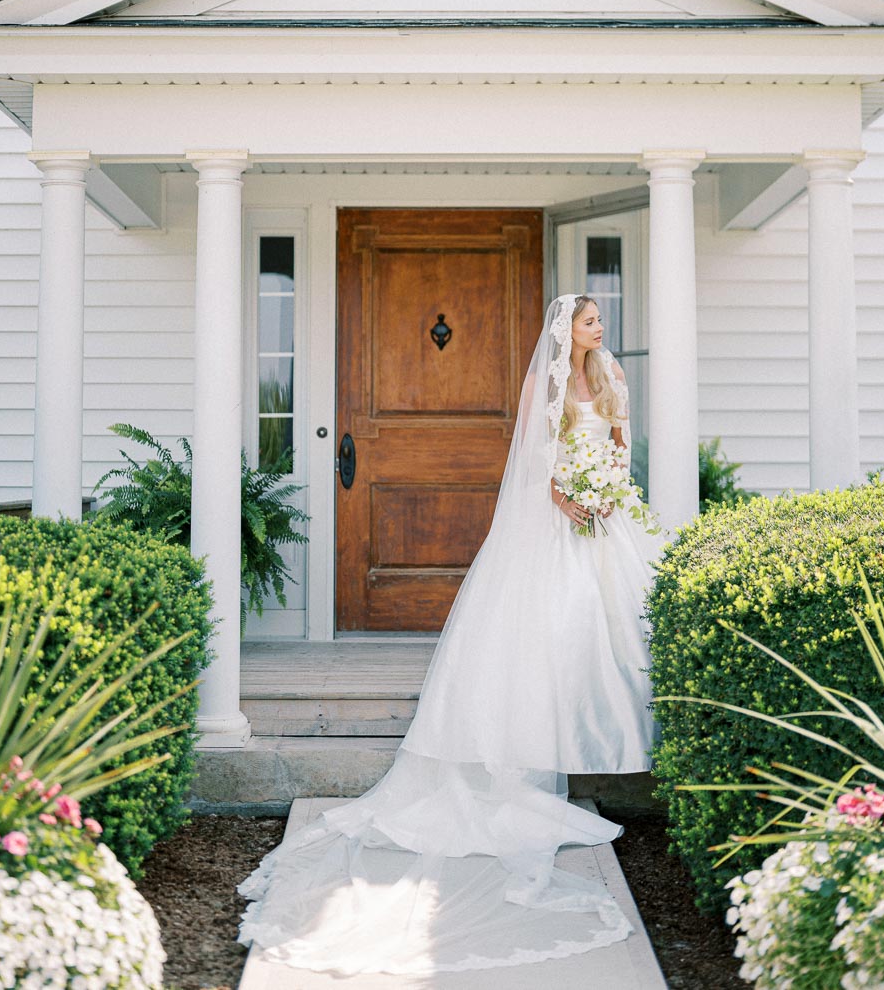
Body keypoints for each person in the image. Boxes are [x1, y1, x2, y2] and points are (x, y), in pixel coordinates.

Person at [237, 293, 666, 976]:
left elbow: (617, 441)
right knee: (543, 633)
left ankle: (605, 729)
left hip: (605, 517)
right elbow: (533, 458)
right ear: (566, 329)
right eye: (589, 321)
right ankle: (528, 753)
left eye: (599, 321)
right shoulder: (543, 381)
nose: (599, 327)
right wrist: (570, 498)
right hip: (557, 519)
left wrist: (611, 486)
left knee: (609, 628)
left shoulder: (608, 374)